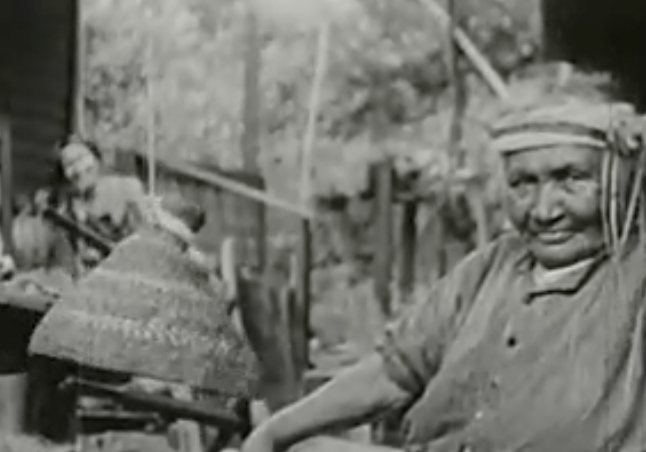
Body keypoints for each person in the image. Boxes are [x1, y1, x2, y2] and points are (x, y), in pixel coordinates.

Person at [238, 92, 646, 452]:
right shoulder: (492, 267)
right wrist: (276, 432)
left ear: (622, 180)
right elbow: (394, 371)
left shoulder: (635, 274)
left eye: (571, 179)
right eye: (523, 184)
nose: (543, 211)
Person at [42, 136, 147, 274]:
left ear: (96, 159)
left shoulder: (128, 189)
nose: (78, 169)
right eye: (69, 164)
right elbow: (70, 263)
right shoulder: (68, 211)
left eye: (81, 158)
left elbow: (147, 236)